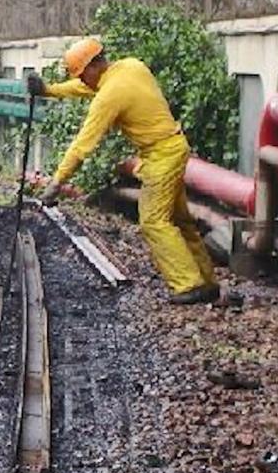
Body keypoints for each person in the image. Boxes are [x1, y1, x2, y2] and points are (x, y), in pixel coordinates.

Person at [28, 38, 220, 305]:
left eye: (83, 75)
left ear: (94, 67)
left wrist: (56, 183)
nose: (83, 81)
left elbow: (82, 146)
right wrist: (48, 90)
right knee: (180, 221)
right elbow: (87, 89)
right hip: (174, 146)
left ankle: (189, 284)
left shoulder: (109, 95)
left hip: (161, 157)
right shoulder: (131, 67)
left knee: (153, 221)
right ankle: (207, 283)